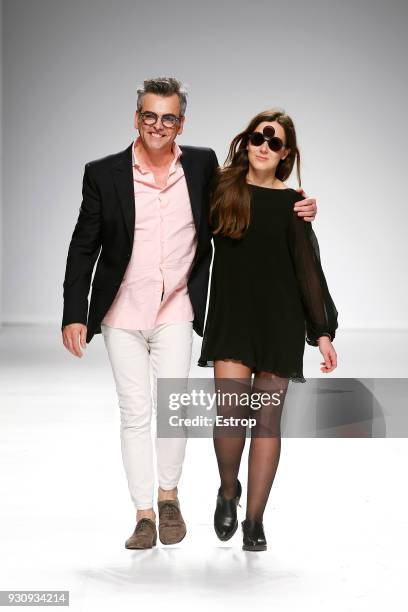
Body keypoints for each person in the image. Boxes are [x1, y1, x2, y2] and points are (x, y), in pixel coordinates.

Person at [61, 77, 317, 550]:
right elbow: (84, 245)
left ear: (182, 122)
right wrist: (74, 311)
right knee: (138, 413)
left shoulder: (200, 167)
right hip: (126, 311)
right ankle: (151, 512)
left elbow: (282, 234)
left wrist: (300, 207)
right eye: (150, 116)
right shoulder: (113, 174)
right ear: (137, 117)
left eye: (169, 117)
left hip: (182, 308)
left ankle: (183, 502)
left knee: (177, 411)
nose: (159, 125)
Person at [198, 109, 338, 551]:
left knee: (267, 422)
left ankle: (255, 520)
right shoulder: (222, 188)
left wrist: (322, 331)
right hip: (232, 316)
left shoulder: (292, 204)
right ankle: (227, 490)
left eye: (274, 142)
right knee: (231, 413)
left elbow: (307, 270)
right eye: (259, 136)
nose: (264, 145)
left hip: (279, 320)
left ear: (286, 154)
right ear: (247, 140)